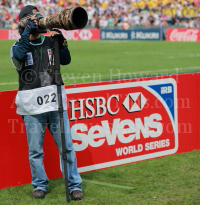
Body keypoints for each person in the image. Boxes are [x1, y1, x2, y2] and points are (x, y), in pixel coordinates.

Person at [10, 5, 84, 200]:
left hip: (55, 104)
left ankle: (74, 185)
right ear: (25, 22)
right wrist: (27, 32)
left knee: (67, 147)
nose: (37, 21)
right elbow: (18, 56)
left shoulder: (50, 41)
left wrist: (62, 42)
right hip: (32, 108)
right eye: (32, 19)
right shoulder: (17, 47)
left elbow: (66, 60)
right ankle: (40, 184)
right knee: (35, 150)